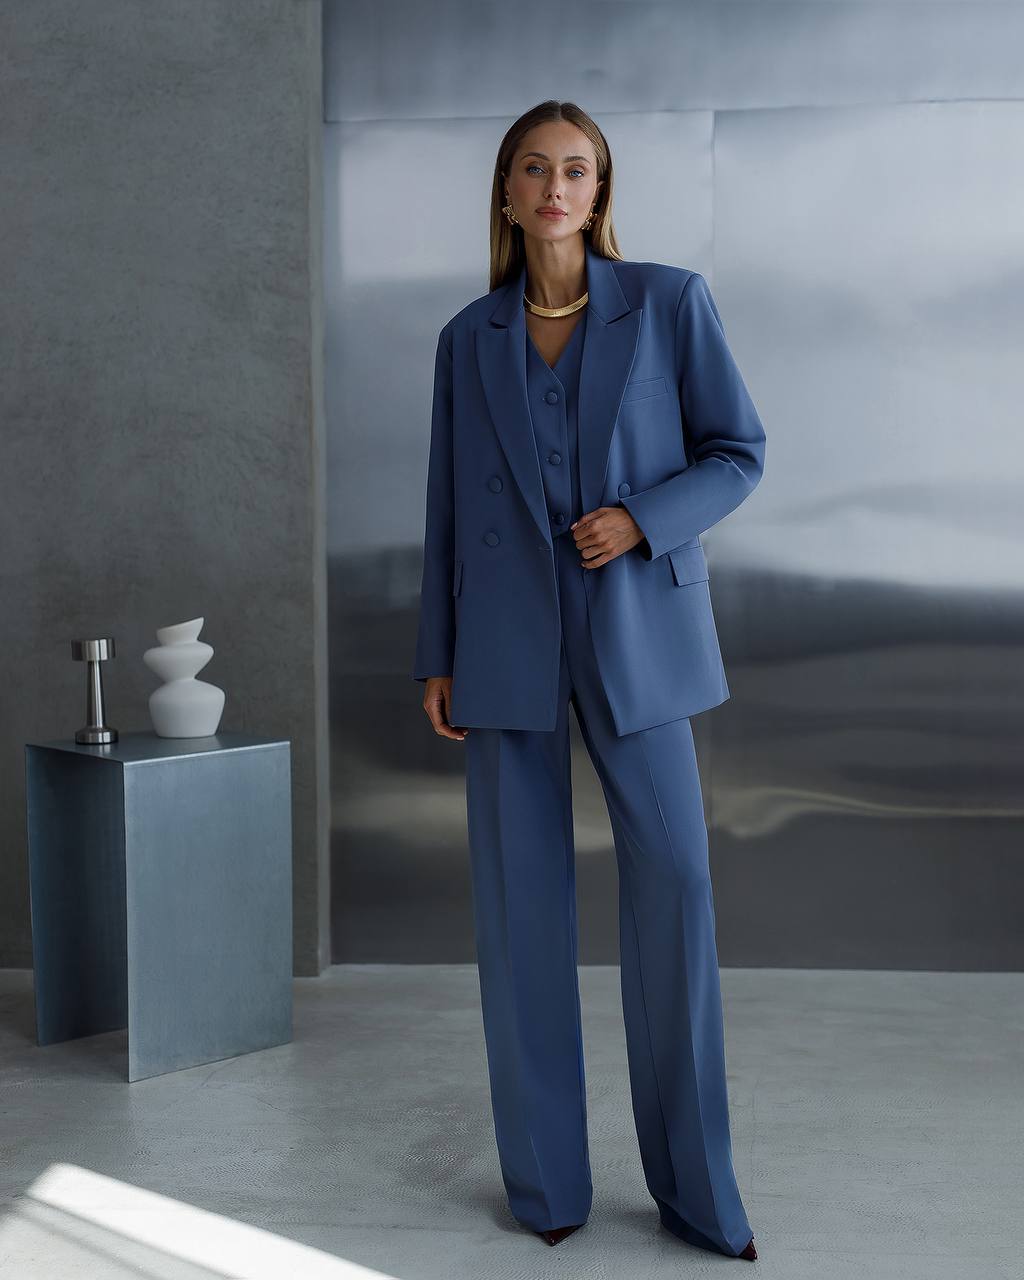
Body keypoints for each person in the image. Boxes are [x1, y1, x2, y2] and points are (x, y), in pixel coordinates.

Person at [413, 99, 765, 1263]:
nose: (555, 187)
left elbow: (737, 451)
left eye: (577, 169)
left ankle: (698, 1194)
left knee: (673, 890)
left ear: (600, 191)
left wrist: (642, 518)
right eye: (533, 169)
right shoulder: (468, 338)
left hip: (639, 642)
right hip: (503, 647)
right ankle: (547, 1187)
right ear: (507, 194)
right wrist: (438, 653)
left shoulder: (669, 303)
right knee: (520, 919)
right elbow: (446, 509)